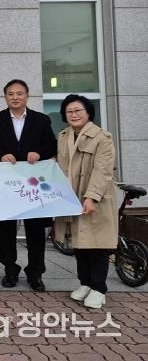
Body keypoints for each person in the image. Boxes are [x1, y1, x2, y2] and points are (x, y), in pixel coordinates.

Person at [0, 79, 57, 292]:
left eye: (19, 93)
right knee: (6, 229)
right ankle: (10, 270)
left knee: (35, 230)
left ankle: (36, 273)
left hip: (33, 185)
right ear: (5, 96)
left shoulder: (41, 120)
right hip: (7, 183)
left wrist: (39, 153)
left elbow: (52, 145)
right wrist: (0, 155)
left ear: (27, 95)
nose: (15, 97)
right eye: (11, 94)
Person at [56, 94, 117, 309]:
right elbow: (59, 163)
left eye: (78, 111)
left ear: (88, 112)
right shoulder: (63, 135)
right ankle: (85, 283)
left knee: (97, 244)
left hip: (94, 199)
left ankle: (99, 288)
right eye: (69, 111)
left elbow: (103, 171)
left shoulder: (102, 137)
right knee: (80, 244)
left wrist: (92, 197)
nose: (73, 115)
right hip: (72, 197)